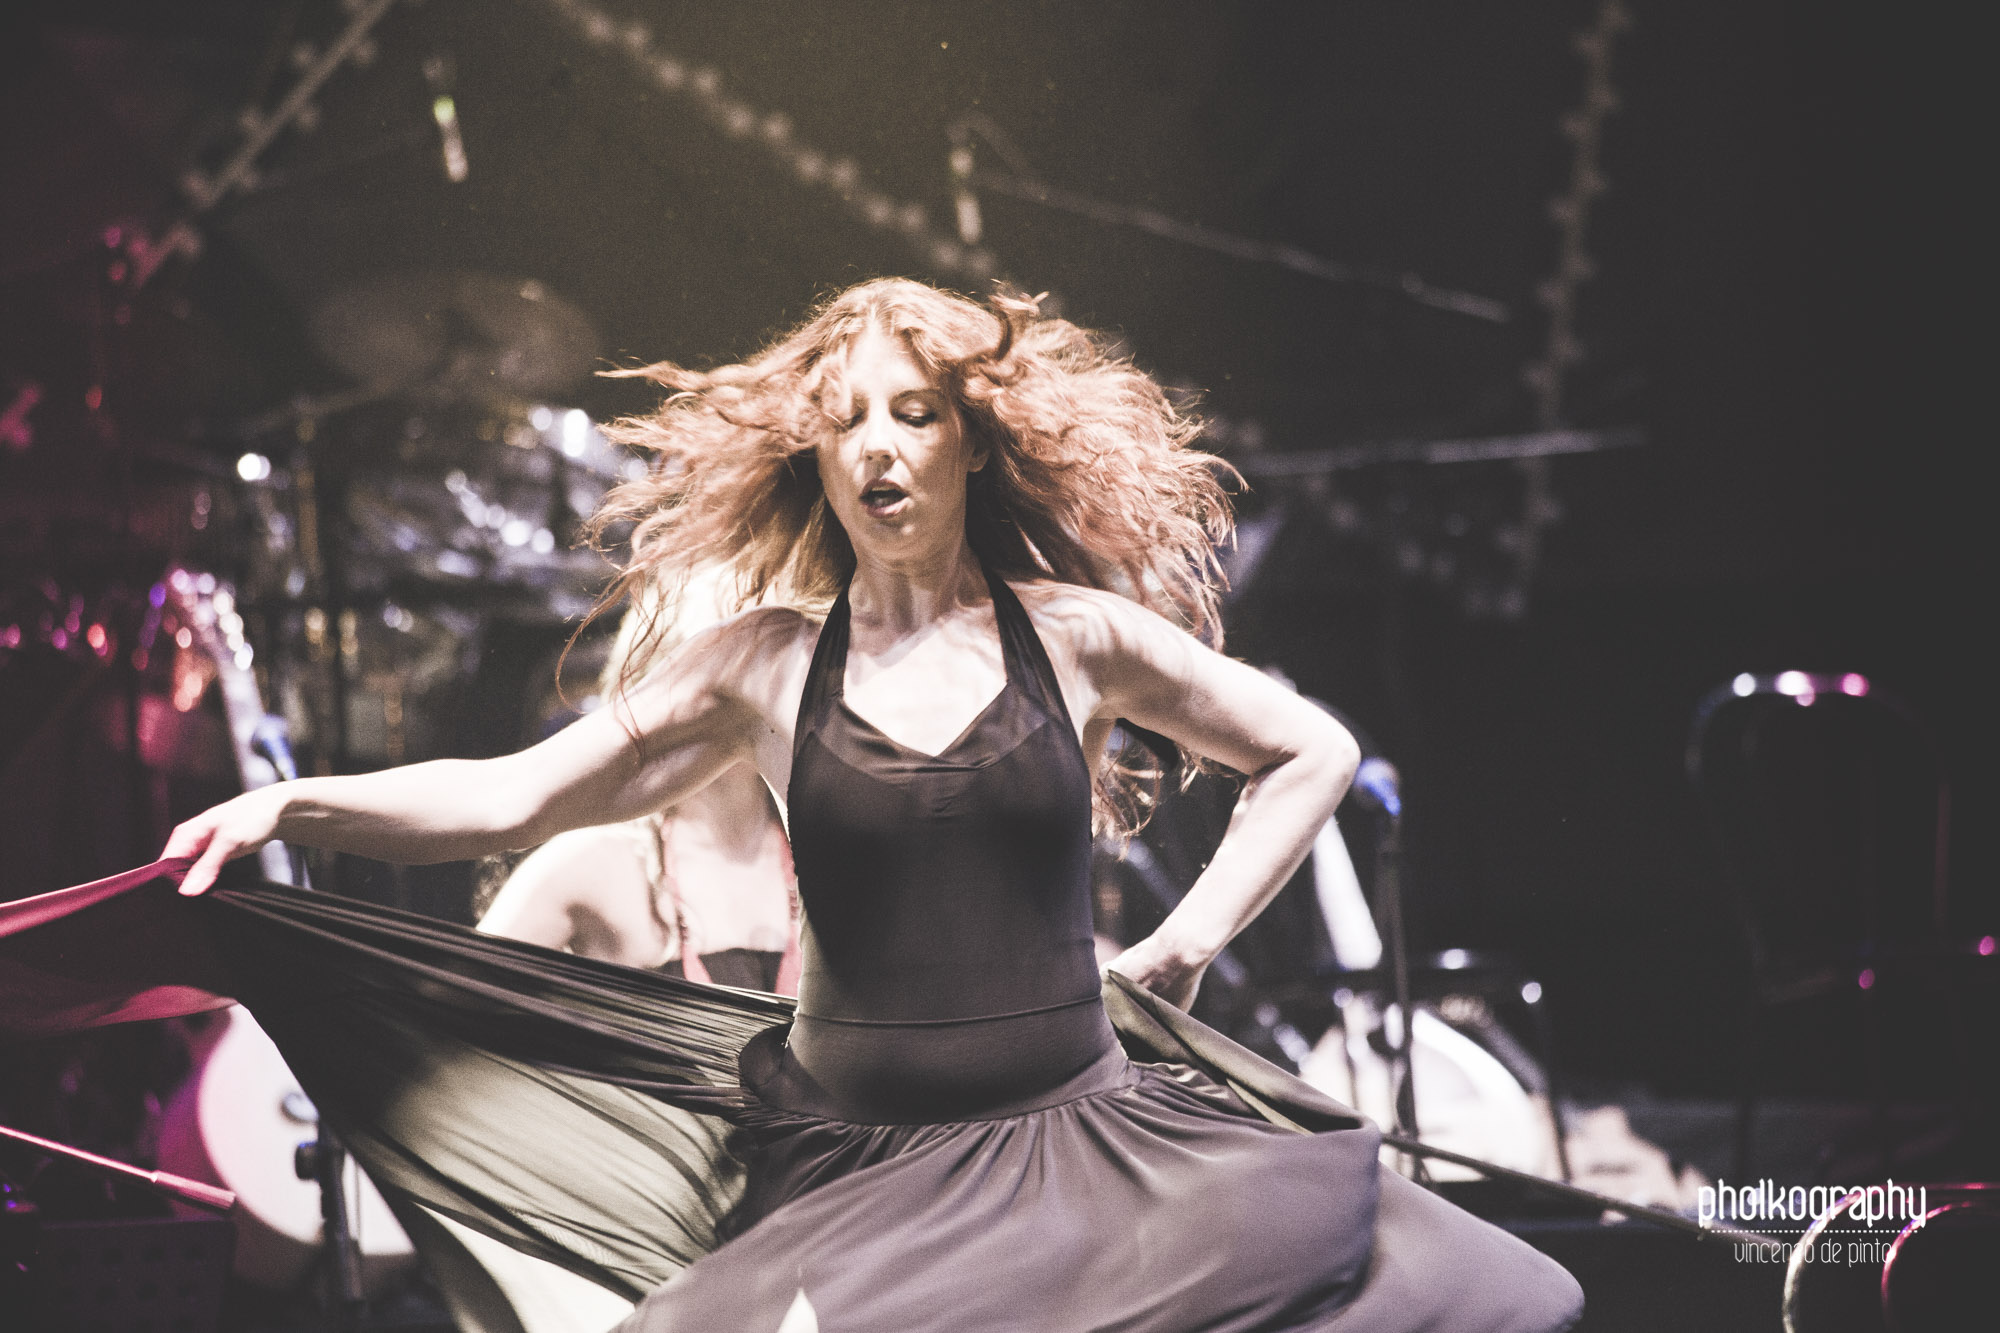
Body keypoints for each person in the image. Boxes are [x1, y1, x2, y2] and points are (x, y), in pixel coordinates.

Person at [47, 279, 1581, 1330]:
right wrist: (290, 804)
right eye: (845, 419)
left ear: (971, 439)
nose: (877, 446)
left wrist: (1182, 947)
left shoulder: (1077, 637)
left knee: (1498, 1294)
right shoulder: (765, 665)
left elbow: (1307, 752)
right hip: (864, 1161)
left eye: (912, 412)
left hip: (1075, 1138)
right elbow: (511, 795)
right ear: (817, 458)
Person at [477, 568, 800, 994]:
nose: (744, 696)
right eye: (720, 674)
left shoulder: (832, 857)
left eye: (763, 665)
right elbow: (440, 1005)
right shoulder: (595, 863)